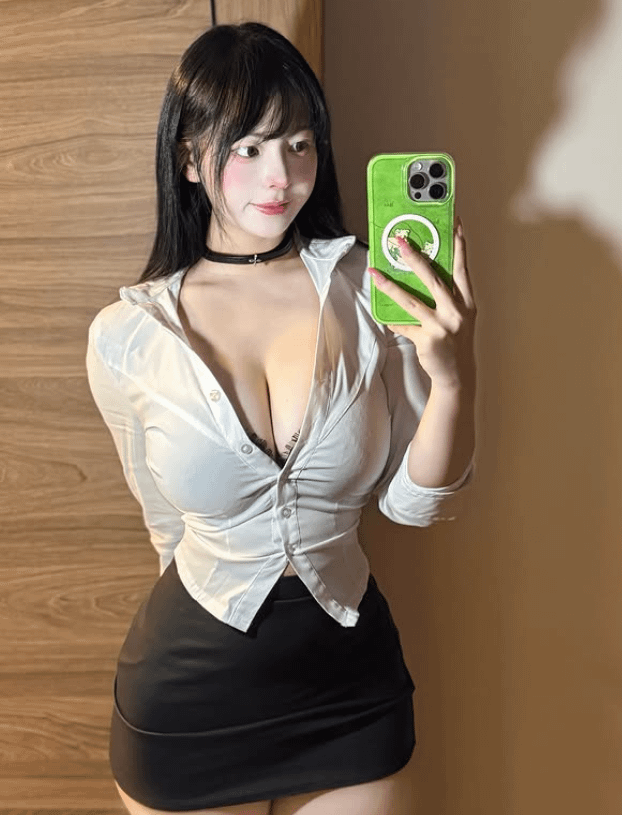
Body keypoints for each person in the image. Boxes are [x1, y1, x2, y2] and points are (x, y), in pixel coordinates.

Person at [85, 21, 476, 815]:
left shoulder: (370, 288)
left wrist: (453, 373)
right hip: (187, 696)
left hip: (349, 686)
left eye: (299, 144)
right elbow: (164, 523)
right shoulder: (128, 336)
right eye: (249, 147)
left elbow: (416, 503)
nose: (282, 175)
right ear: (189, 157)